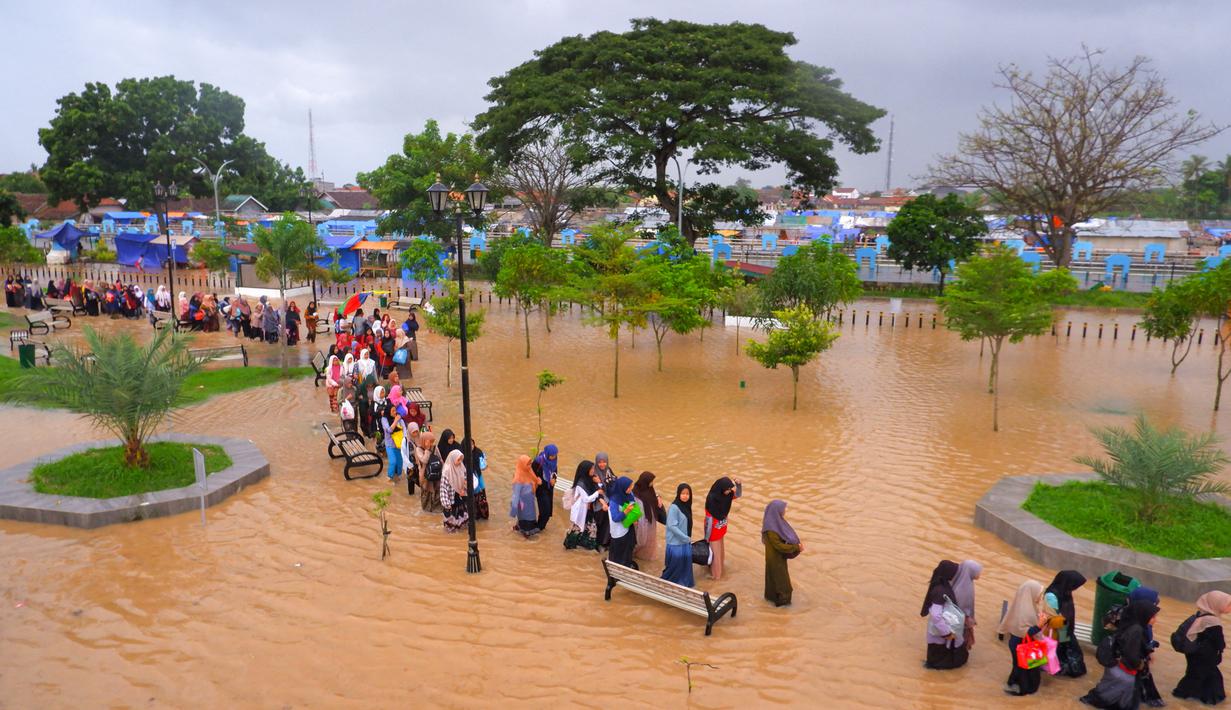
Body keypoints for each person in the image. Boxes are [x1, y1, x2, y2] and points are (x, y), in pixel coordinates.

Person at [1081, 599, 1161, 709]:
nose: (1155, 620)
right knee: (1116, 701)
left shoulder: (1130, 624)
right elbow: (1131, 655)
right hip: (1124, 674)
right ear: (1144, 615)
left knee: (1103, 694)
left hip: (1116, 668)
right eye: (1153, 617)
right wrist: (1141, 664)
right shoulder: (1136, 630)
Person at [1172, 590, 1231, 705]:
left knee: (1199, 675)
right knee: (1199, 677)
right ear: (1216, 604)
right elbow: (1219, 641)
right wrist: (1222, 649)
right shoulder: (1212, 621)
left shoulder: (1201, 614)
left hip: (1194, 653)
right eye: (1228, 605)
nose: (1230, 608)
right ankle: (1182, 696)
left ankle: (1192, 698)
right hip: (1203, 656)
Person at [999, 579, 1045, 696]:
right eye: (1040, 594)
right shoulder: (1027, 612)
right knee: (1026, 669)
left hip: (1016, 642)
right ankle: (1024, 690)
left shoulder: (1021, 606)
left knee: (1019, 667)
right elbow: (1026, 632)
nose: (1041, 597)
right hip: (1023, 645)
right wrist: (1039, 625)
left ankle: (1013, 684)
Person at [922, 560, 967, 669]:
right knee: (940, 664)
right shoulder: (940, 590)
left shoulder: (939, 584)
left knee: (935, 659)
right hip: (941, 633)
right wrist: (946, 633)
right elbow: (936, 614)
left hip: (937, 632)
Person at [1046, 570, 1089, 678]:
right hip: (1059, 630)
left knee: (1070, 651)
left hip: (1067, 629)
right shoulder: (1052, 595)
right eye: (1074, 585)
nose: (1075, 588)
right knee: (1064, 651)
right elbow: (1052, 616)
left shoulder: (1065, 591)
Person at [1128, 586, 1165, 706]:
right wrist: (1147, 655)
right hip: (1136, 664)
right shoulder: (1139, 629)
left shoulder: (1131, 618)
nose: (1155, 620)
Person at [761, 499, 802, 607]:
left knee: (774, 582)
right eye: (783, 509)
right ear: (776, 511)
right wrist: (795, 547)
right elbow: (778, 546)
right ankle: (783, 613)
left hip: (776, 559)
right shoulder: (771, 529)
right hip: (775, 561)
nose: (784, 511)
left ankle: (773, 607)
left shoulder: (774, 523)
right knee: (784, 587)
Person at [704, 476, 742, 581]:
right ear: (721, 488)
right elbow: (708, 520)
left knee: (718, 552)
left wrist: (738, 484)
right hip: (715, 530)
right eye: (727, 490)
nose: (729, 492)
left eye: (730, 489)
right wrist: (708, 537)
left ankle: (716, 576)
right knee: (717, 553)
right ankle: (718, 575)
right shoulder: (712, 498)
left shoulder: (726, 495)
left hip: (720, 528)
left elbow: (738, 494)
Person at [564, 461, 604, 551]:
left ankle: (587, 546)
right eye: (592, 469)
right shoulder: (581, 484)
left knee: (591, 529)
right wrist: (598, 493)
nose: (594, 470)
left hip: (589, 510)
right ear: (586, 470)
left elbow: (598, 487)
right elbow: (586, 499)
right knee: (576, 529)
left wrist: (598, 484)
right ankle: (569, 546)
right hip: (581, 511)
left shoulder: (590, 480)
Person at [661, 483, 694, 586]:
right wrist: (685, 538)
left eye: (687, 494)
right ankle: (669, 585)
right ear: (678, 494)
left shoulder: (687, 506)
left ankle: (683, 585)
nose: (685, 496)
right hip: (676, 543)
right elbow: (671, 526)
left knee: (684, 567)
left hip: (684, 542)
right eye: (683, 493)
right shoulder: (674, 508)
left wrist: (686, 539)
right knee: (674, 569)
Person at [631, 471, 666, 562]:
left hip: (651, 521)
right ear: (645, 482)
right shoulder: (635, 494)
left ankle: (645, 559)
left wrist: (658, 496)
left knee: (650, 541)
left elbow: (653, 497)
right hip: (641, 522)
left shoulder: (649, 489)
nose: (652, 483)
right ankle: (634, 555)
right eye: (651, 481)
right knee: (641, 541)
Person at [606, 476, 638, 568]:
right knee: (619, 554)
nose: (631, 489)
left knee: (629, 549)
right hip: (619, 532)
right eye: (629, 487)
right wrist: (626, 511)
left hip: (628, 526)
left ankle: (627, 565)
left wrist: (635, 517)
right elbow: (615, 518)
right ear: (622, 487)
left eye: (631, 486)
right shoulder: (614, 501)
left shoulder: (628, 493)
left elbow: (633, 502)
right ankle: (617, 570)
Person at [951, 560, 983, 652]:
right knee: (960, 642)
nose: (979, 574)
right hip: (961, 621)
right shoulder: (965, 588)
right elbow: (963, 609)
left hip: (959, 620)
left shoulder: (962, 581)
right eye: (978, 572)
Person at [510, 454, 540, 537]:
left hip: (530, 503)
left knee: (531, 518)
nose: (530, 466)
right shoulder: (518, 479)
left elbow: (534, 482)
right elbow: (516, 496)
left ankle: (520, 528)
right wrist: (513, 510)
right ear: (522, 465)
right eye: (528, 464)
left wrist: (537, 482)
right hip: (523, 505)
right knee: (526, 522)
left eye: (530, 463)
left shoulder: (529, 472)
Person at [440, 449, 469, 533]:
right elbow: (443, 489)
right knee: (451, 523)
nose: (460, 462)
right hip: (451, 499)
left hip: (460, 496)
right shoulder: (446, 472)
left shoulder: (461, 467)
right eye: (458, 459)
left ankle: (460, 531)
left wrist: (464, 489)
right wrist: (447, 504)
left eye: (461, 459)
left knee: (462, 515)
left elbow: (466, 478)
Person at [532, 444, 559, 532]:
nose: (553, 457)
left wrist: (554, 479)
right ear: (547, 454)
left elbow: (555, 472)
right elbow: (531, 474)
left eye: (555, 455)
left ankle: (541, 526)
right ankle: (539, 527)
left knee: (548, 511)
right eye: (551, 456)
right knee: (545, 510)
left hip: (549, 488)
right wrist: (536, 479)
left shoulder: (554, 461)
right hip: (541, 489)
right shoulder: (538, 462)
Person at [415, 431, 442, 513]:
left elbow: (440, 459)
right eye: (430, 441)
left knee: (437, 490)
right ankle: (427, 511)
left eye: (432, 441)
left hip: (436, 473)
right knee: (427, 492)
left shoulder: (434, 447)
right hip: (425, 475)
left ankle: (436, 510)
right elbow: (424, 460)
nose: (431, 443)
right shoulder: (418, 449)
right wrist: (427, 450)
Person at [463, 437, 489, 520]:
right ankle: (473, 515)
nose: (472, 446)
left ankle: (483, 513)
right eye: (469, 445)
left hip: (478, 475)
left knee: (481, 493)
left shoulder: (478, 451)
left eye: (472, 444)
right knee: (472, 496)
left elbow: (484, 465)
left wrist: (484, 464)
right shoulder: (462, 454)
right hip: (468, 477)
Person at [380, 402, 403, 483]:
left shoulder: (399, 417)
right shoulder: (384, 419)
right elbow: (389, 430)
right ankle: (389, 478)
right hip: (390, 445)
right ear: (388, 412)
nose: (395, 412)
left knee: (400, 463)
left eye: (395, 410)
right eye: (392, 411)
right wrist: (396, 421)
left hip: (399, 444)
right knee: (393, 462)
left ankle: (398, 477)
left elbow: (404, 429)